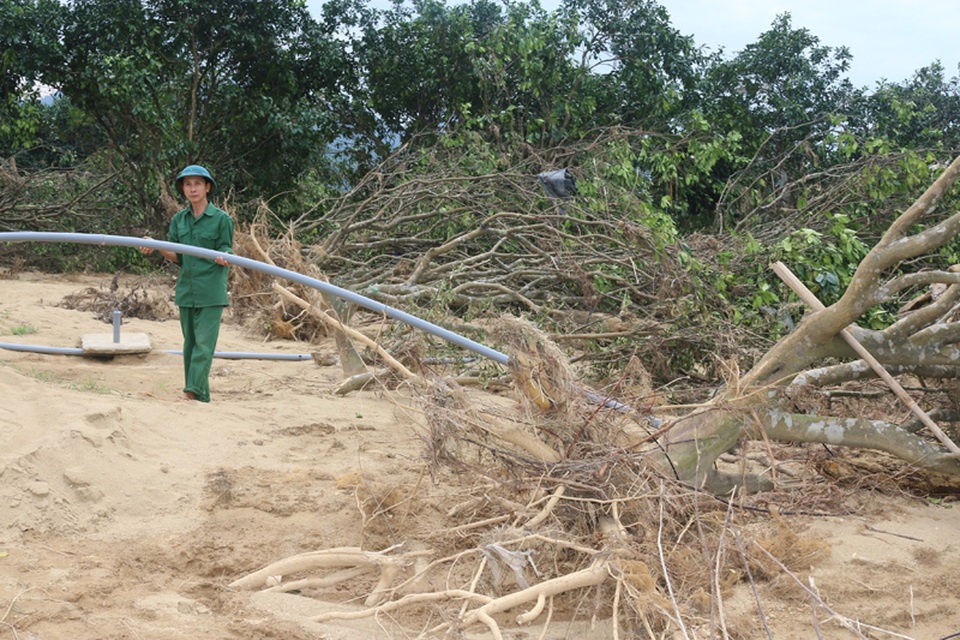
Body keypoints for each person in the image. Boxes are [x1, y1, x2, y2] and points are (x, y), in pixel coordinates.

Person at [141, 164, 234, 402]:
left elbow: (226, 249)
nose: (192, 189)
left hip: (211, 291)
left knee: (204, 345)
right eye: (188, 184)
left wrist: (224, 257)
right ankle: (199, 395)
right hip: (187, 290)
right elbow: (178, 256)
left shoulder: (221, 219)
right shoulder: (179, 220)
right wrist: (158, 245)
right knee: (190, 344)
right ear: (183, 189)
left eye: (197, 184)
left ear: (207, 187)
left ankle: (190, 393)